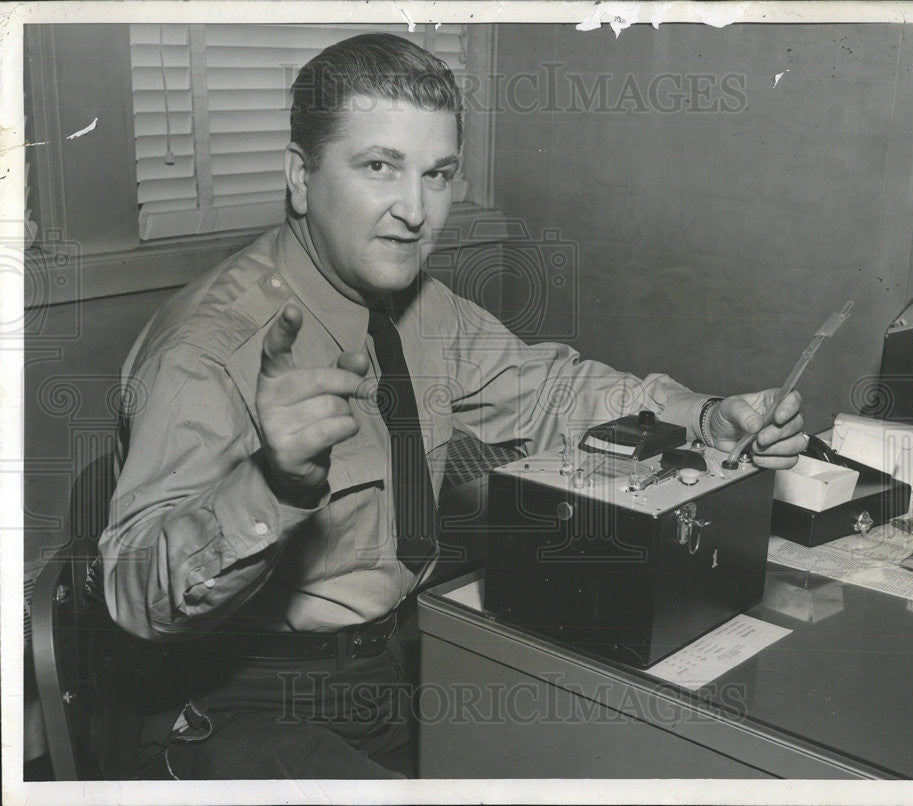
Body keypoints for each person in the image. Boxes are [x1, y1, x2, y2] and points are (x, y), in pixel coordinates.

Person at [98, 32, 807, 780]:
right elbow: (133, 594)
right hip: (240, 698)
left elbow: (551, 388)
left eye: (437, 175)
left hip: (389, 663)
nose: (415, 210)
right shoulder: (208, 349)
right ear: (300, 179)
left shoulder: (418, 309)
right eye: (379, 167)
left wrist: (704, 414)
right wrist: (268, 488)